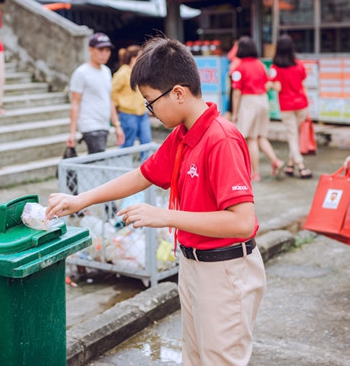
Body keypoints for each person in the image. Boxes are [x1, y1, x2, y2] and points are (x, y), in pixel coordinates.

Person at [47, 36, 266, 366]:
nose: (149, 112)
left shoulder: (220, 138)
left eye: (151, 102)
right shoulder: (183, 135)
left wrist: (166, 216)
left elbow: (241, 222)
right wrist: (80, 199)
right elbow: (142, 175)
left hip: (225, 269)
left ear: (178, 92)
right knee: (196, 358)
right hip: (193, 264)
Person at [231, 35, 284, 181]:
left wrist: (235, 113)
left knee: (251, 139)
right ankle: (275, 161)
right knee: (261, 136)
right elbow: (268, 83)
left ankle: (256, 173)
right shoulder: (260, 64)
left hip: (249, 102)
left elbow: (236, 92)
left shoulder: (239, 67)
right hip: (263, 101)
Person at [68, 32, 124, 154]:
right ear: (90, 50)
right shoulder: (81, 73)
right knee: (98, 160)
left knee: (96, 162)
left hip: (104, 124)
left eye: (107, 50)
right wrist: (72, 133)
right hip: (90, 124)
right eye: (100, 50)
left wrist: (117, 126)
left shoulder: (106, 71)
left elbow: (109, 99)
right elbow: (75, 103)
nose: (105, 54)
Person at [270, 34, 313, 179]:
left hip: (287, 106)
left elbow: (278, 87)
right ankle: (290, 165)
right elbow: (303, 85)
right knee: (295, 136)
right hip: (302, 104)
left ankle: (301, 166)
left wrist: (270, 84)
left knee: (292, 136)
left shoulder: (275, 67)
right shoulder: (299, 64)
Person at [111, 45, 152, 162]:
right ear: (132, 58)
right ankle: (120, 165)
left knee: (147, 142)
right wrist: (117, 106)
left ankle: (147, 171)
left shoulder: (140, 72)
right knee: (127, 143)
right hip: (128, 114)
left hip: (142, 113)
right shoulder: (122, 73)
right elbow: (113, 93)